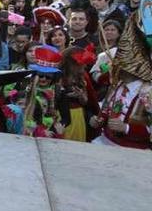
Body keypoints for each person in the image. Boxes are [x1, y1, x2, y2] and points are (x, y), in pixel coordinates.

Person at [90, 12, 151, 149]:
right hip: (105, 142)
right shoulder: (118, 86)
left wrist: (127, 128)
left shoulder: (149, 92)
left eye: (119, 65)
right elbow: (108, 111)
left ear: (133, 68)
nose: (114, 68)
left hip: (132, 152)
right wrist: (98, 120)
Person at [59, 46, 99, 142]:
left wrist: (81, 96)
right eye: (80, 64)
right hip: (60, 116)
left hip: (77, 115)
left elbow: (87, 101)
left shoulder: (82, 77)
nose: (84, 66)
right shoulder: (58, 75)